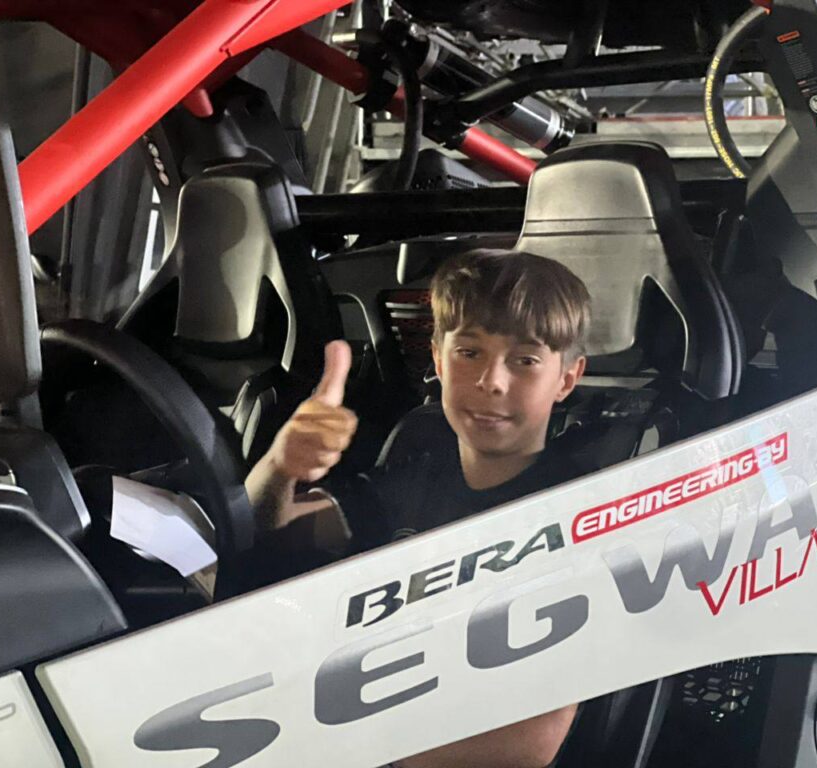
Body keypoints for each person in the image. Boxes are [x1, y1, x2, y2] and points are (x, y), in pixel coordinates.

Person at [244, 248, 597, 768]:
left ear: (566, 378)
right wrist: (280, 466)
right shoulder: (418, 475)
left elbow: (531, 744)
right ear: (437, 360)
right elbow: (269, 533)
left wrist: (343, 749)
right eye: (469, 353)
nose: (491, 381)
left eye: (524, 361)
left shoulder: (581, 514)